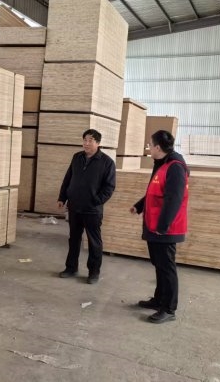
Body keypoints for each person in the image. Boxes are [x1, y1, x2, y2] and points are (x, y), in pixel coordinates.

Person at [130, 130, 189, 324]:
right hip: (154, 224)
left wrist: (163, 226)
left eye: (150, 145)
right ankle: (159, 299)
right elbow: (154, 192)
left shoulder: (175, 167)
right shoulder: (161, 163)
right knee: (159, 265)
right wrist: (139, 206)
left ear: (157, 147)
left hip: (165, 228)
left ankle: (169, 309)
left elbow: (174, 199)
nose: (148, 148)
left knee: (166, 268)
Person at [57, 129, 116, 284]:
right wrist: (62, 197)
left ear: (98, 143)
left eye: (90, 140)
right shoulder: (77, 157)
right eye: (85, 140)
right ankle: (71, 268)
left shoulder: (107, 162)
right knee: (74, 239)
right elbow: (68, 178)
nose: (86, 143)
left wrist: (96, 201)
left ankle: (94, 272)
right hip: (74, 206)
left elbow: (109, 187)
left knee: (94, 242)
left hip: (92, 210)